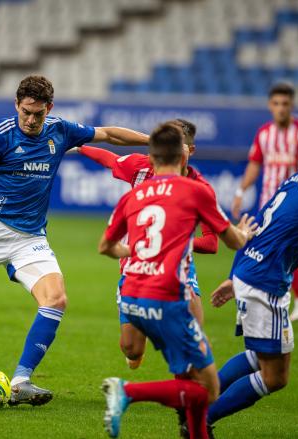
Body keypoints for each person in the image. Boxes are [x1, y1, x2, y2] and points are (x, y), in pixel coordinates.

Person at [0, 75, 150, 406]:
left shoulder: (60, 130)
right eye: (26, 113)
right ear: (17, 106)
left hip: (30, 237)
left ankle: (21, 381)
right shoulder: (0, 136)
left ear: (49, 108)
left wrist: (154, 142)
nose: (31, 120)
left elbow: (107, 133)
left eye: (38, 114)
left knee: (56, 299)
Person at [98, 122, 257, 438]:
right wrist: (246, 233)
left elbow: (105, 247)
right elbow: (230, 241)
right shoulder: (196, 190)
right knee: (207, 389)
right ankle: (127, 391)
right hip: (167, 298)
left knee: (184, 375)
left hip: (131, 297)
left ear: (152, 159)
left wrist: (132, 248)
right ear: (184, 159)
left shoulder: (135, 193)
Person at [206, 123, 298, 432]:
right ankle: (202, 420)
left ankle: (197, 403)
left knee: (258, 355)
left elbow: (256, 225)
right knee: (275, 377)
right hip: (264, 282)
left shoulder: (296, 179)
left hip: (253, 272)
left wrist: (234, 275)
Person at [77, 119, 217, 371]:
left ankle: (191, 394)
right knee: (131, 348)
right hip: (136, 267)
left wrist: (173, 242)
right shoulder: (140, 168)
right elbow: (109, 158)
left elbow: (211, 242)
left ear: (190, 150)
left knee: (193, 338)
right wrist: (77, 146)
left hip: (179, 270)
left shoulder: (200, 188)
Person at [231, 83, 298, 321]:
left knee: (275, 248)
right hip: (268, 201)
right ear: (270, 105)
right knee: (258, 247)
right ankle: (277, 300)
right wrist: (240, 191)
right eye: (276, 104)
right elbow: (255, 165)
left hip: (295, 204)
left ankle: (293, 301)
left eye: (285, 104)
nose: (280, 109)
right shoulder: (264, 133)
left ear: (292, 105)